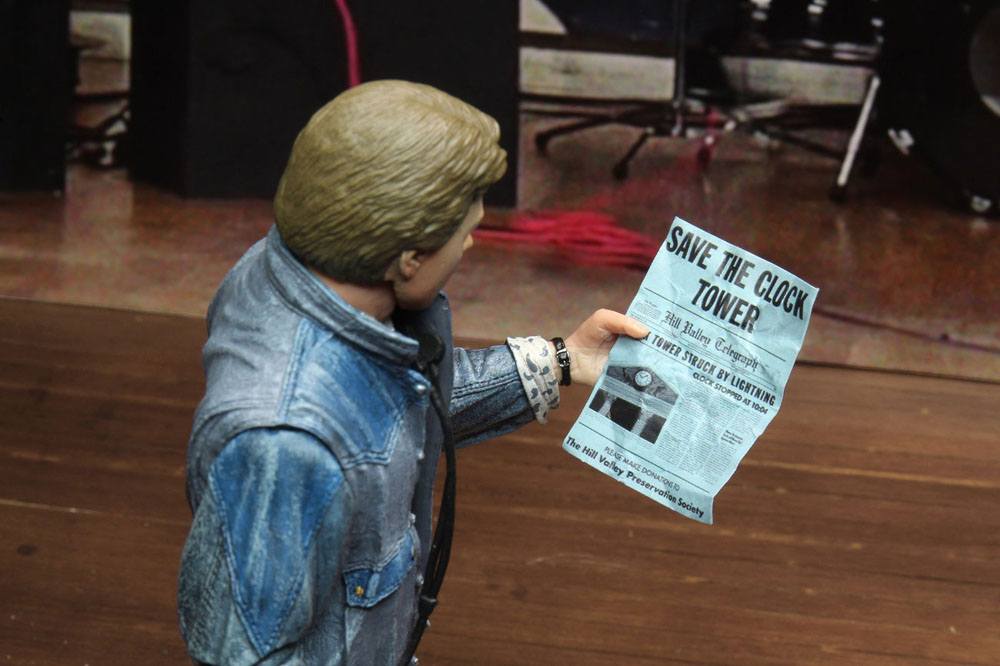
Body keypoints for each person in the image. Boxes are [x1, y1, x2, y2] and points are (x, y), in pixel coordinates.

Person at [177, 79, 649, 665]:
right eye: (464, 235)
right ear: (409, 260)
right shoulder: (285, 445)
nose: (470, 245)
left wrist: (563, 360)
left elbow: (396, 403)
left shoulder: (295, 267)